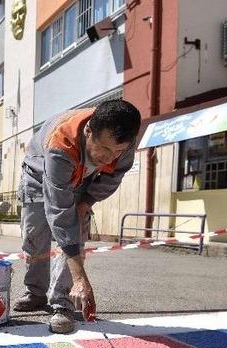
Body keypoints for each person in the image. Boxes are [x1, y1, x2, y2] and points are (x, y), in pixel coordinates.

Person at [15, 99, 142, 334]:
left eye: (117, 151)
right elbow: (59, 213)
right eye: (103, 149)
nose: (109, 157)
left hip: (82, 180)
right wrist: (81, 277)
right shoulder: (61, 143)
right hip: (38, 174)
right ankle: (35, 292)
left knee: (77, 233)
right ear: (88, 131)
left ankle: (61, 302)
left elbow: (112, 178)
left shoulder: (123, 147)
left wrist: (86, 202)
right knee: (35, 237)